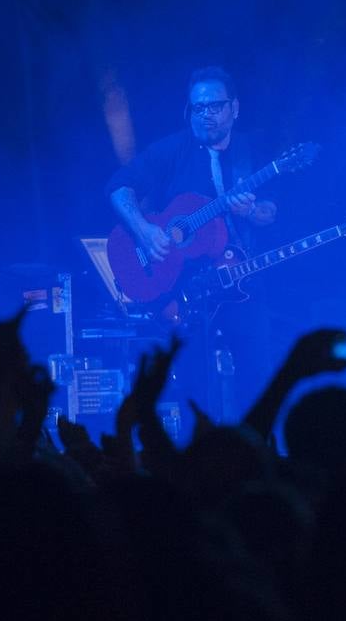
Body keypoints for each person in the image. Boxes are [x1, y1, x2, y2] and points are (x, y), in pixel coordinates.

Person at [106, 66, 279, 423]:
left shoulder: (251, 151)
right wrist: (143, 231)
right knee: (194, 388)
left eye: (214, 106)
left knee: (258, 376)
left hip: (238, 280)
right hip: (185, 288)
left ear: (234, 107)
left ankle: (258, 458)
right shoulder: (170, 150)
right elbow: (118, 187)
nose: (205, 114)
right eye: (197, 107)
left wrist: (254, 212)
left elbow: (270, 212)